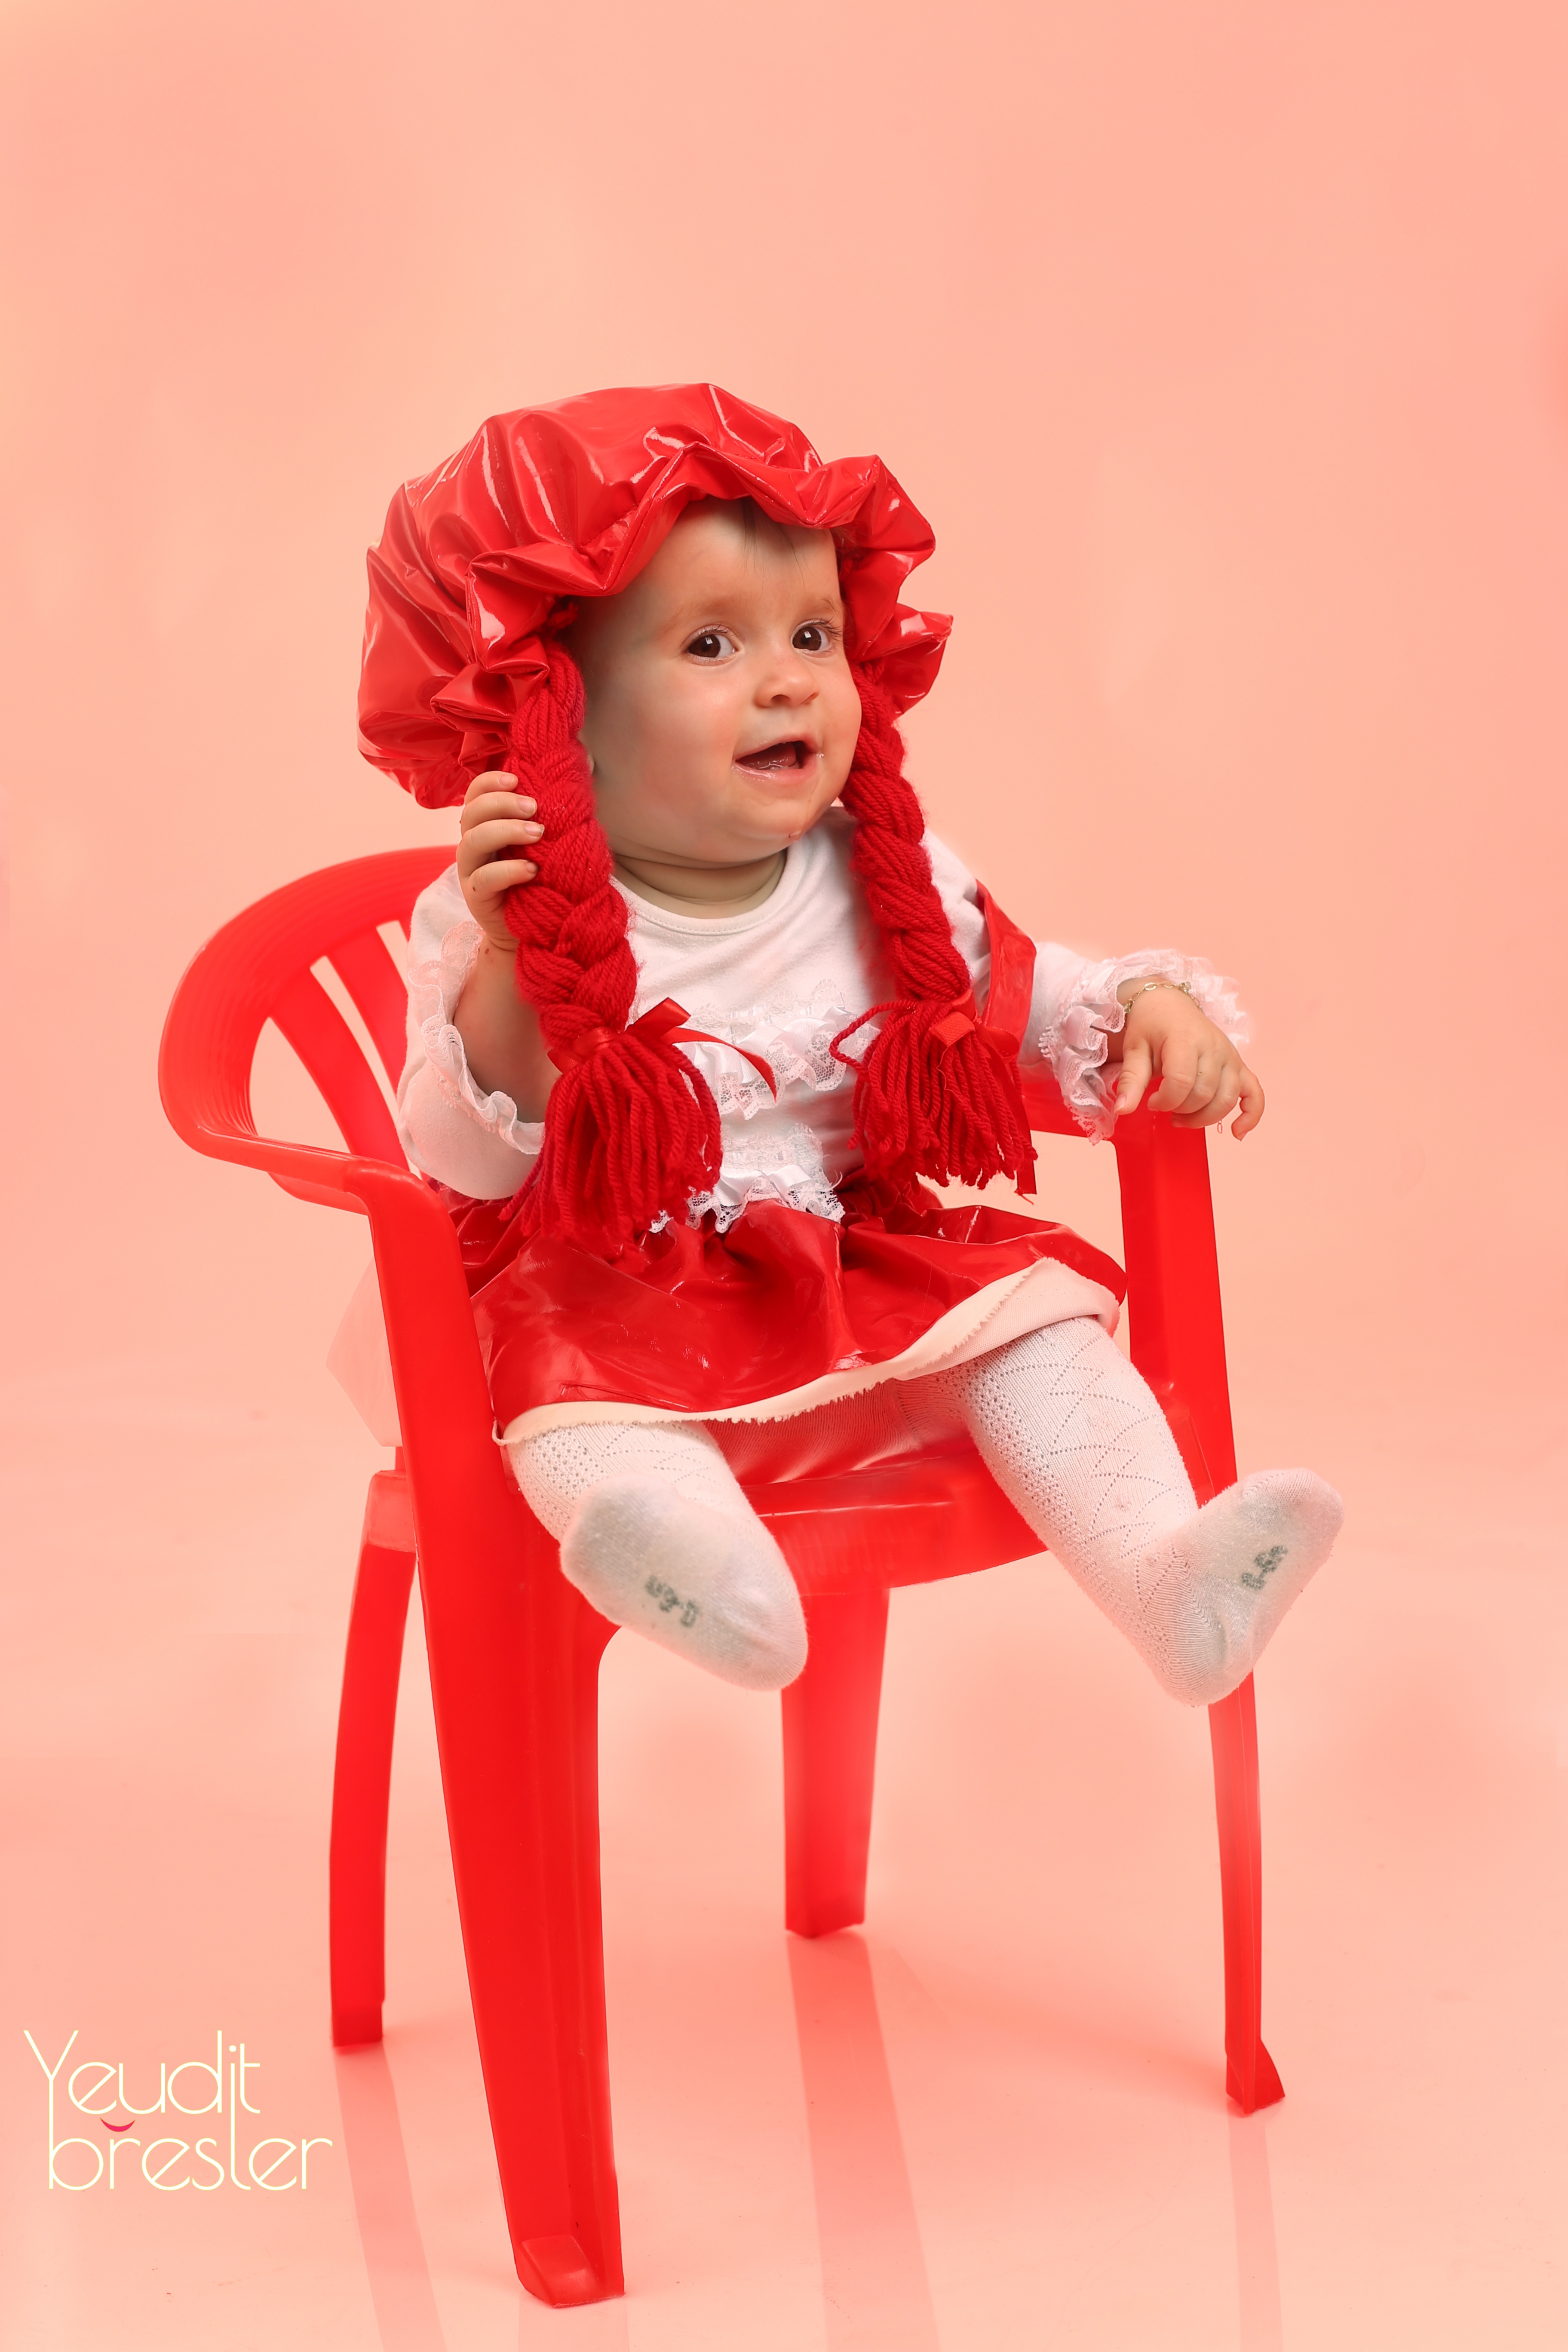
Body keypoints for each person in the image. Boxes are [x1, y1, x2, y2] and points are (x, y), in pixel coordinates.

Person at [355, 384, 1341, 1702]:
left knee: (1041, 1335)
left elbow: (1025, 998)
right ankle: (698, 1571)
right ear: (556, 706)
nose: (787, 678)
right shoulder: (500, 909)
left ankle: (1170, 1583)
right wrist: (505, 963)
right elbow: (466, 1162)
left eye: (814, 633)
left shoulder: (883, 876)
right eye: (712, 644)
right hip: (607, 1305)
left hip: (852, 1288)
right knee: (572, 1413)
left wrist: (1147, 1007)